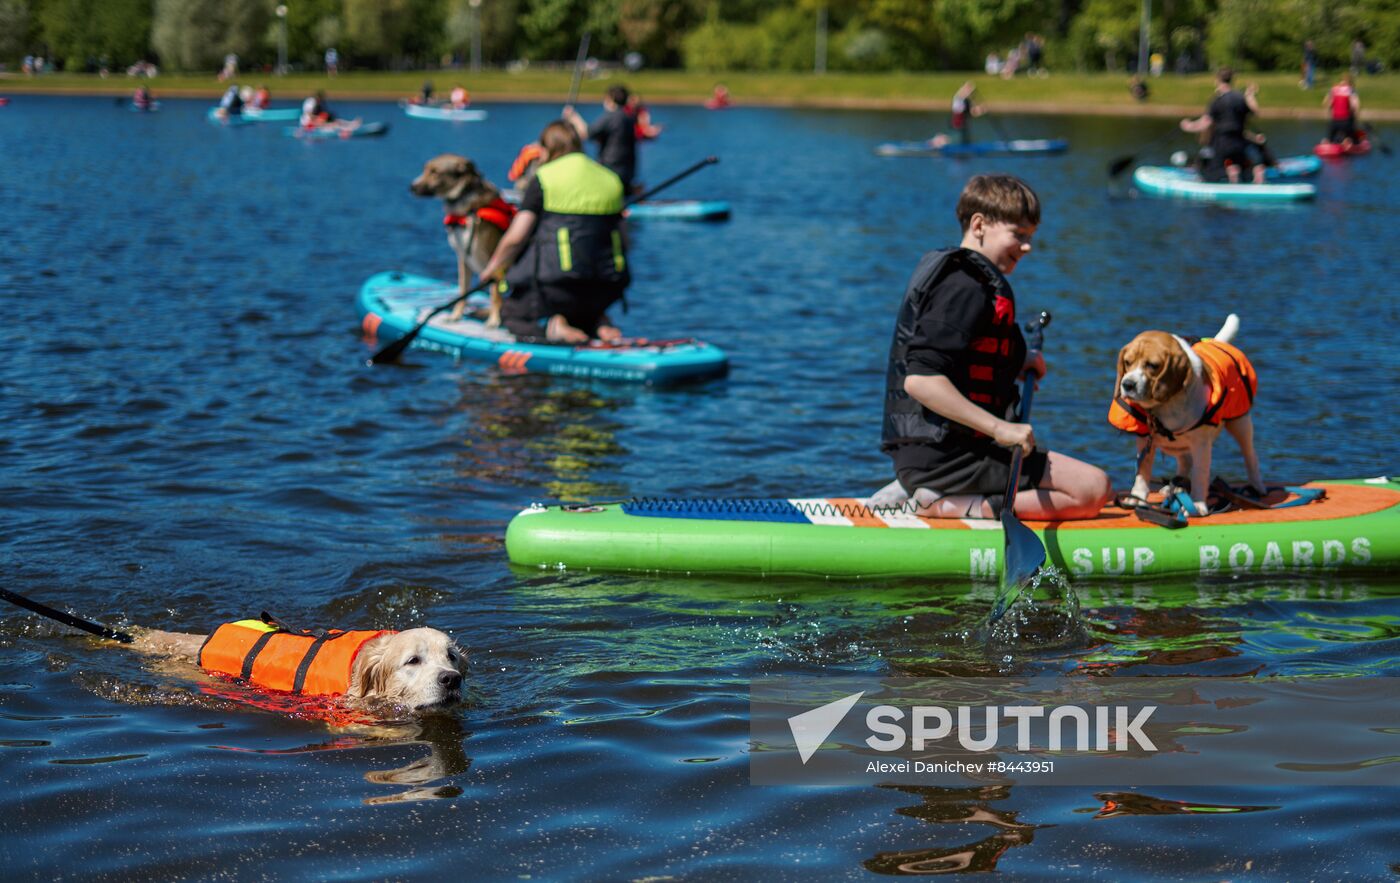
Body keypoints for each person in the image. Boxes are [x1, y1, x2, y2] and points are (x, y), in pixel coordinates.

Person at [868, 174, 1112, 521]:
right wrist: (1001, 429)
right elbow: (920, 380)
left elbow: (967, 359)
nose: (1027, 247)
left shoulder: (970, 281)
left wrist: (1019, 360)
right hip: (945, 456)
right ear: (980, 224)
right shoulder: (964, 288)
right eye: (1019, 234)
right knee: (1092, 489)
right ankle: (945, 506)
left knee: (1087, 485)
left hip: (938, 453)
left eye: (1031, 237)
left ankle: (930, 491)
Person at [476, 121, 630, 344]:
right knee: (583, 303)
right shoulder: (611, 178)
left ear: (547, 150)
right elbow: (624, 238)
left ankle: (555, 327)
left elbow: (516, 237)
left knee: (512, 313)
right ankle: (599, 322)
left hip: (557, 285)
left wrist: (492, 269)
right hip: (607, 286)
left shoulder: (544, 177)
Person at [1180, 68, 1264, 184]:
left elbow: (1205, 122)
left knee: (1211, 172)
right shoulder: (1240, 98)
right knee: (1242, 166)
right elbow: (1255, 111)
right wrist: (1250, 95)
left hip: (1222, 142)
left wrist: (1189, 126)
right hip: (1240, 140)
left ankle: (1230, 173)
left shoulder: (1217, 101)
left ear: (1217, 81)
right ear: (1232, 80)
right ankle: (1252, 175)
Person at [563, 84, 638, 193]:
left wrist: (573, 117)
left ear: (610, 99)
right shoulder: (629, 118)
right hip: (627, 169)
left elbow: (588, 133)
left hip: (610, 168)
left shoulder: (611, 116)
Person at [1324, 73, 1361, 144]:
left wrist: (1331, 110)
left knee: (1331, 136)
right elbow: (1356, 105)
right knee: (1353, 136)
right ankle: (1348, 140)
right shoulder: (1351, 90)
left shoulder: (1333, 89)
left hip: (1335, 120)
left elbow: (1326, 103)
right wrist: (1356, 115)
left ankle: (1329, 141)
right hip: (1347, 120)